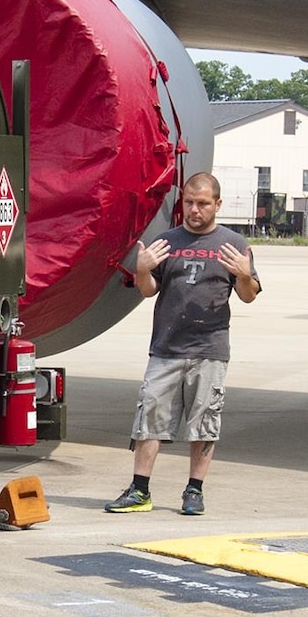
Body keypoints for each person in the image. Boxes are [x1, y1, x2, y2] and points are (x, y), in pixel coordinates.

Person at [104, 171, 261, 517]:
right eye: (189, 202)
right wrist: (142, 270)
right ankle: (140, 489)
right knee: (150, 416)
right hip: (166, 348)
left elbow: (248, 297)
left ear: (218, 204)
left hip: (210, 349)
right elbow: (148, 290)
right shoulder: (167, 241)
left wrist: (245, 275)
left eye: (203, 203)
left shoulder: (234, 244)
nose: (194, 209)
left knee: (204, 422)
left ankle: (194, 491)